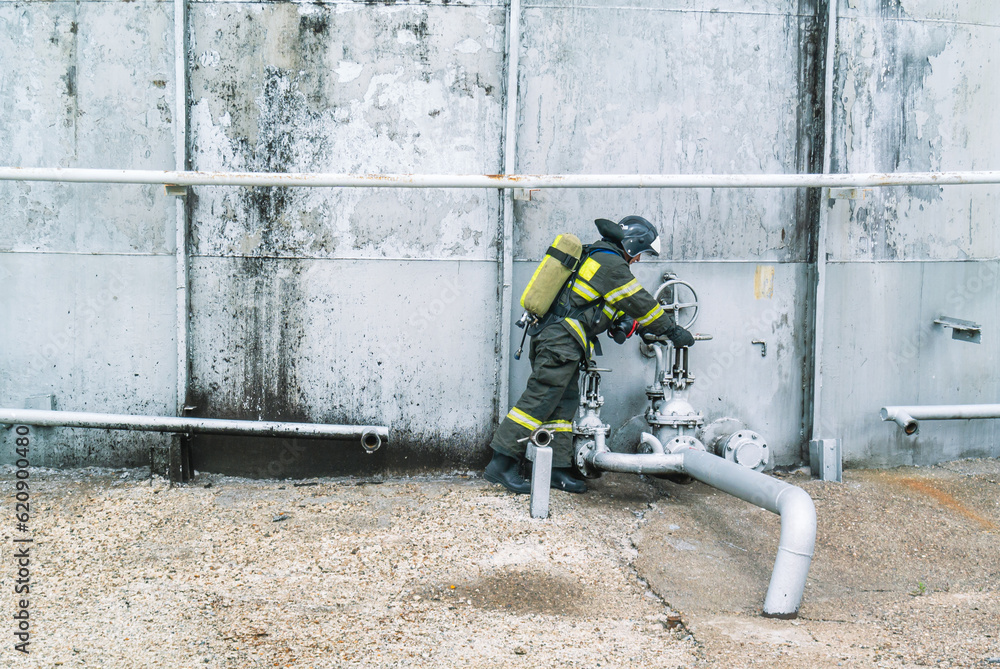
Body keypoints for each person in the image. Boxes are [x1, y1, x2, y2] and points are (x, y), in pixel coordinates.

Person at [484, 216, 695, 494]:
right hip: (560, 342)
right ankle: (501, 463)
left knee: (562, 405)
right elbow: (639, 301)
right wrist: (670, 330)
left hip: (564, 341)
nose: (638, 260)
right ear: (631, 245)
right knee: (540, 398)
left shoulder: (598, 258)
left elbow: (610, 306)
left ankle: (555, 468)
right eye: (640, 253)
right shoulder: (610, 264)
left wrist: (639, 328)